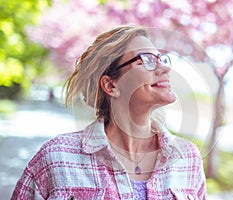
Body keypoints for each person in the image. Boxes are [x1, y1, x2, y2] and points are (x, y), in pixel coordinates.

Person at [11, 25, 207, 200]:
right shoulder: (56, 157)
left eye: (161, 59)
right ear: (111, 85)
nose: (164, 67)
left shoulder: (187, 158)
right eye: (146, 60)